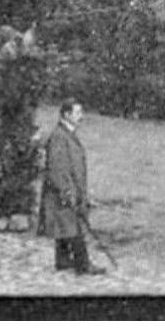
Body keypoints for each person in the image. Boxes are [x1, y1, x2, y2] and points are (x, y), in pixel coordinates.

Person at [39, 100, 105, 275]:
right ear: (66, 115)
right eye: (77, 113)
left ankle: (62, 260)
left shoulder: (67, 133)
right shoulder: (60, 136)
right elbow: (57, 167)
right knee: (73, 227)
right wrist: (67, 191)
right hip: (64, 191)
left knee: (64, 225)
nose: (81, 116)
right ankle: (83, 265)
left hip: (68, 190)